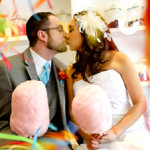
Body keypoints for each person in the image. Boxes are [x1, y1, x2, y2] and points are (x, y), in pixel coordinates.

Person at [66, 10, 150, 150]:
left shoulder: (119, 59)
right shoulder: (72, 72)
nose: (67, 36)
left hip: (128, 134)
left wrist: (115, 131)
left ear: (87, 32)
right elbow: (72, 113)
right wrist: (88, 138)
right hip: (96, 143)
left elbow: (140, 102)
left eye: (70, 30)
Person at [0, 12, 68, 144]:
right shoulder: (6, 68)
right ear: (42, 35)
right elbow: (2, 121)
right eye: (59, 29)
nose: (65, 34)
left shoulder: (64, 69)